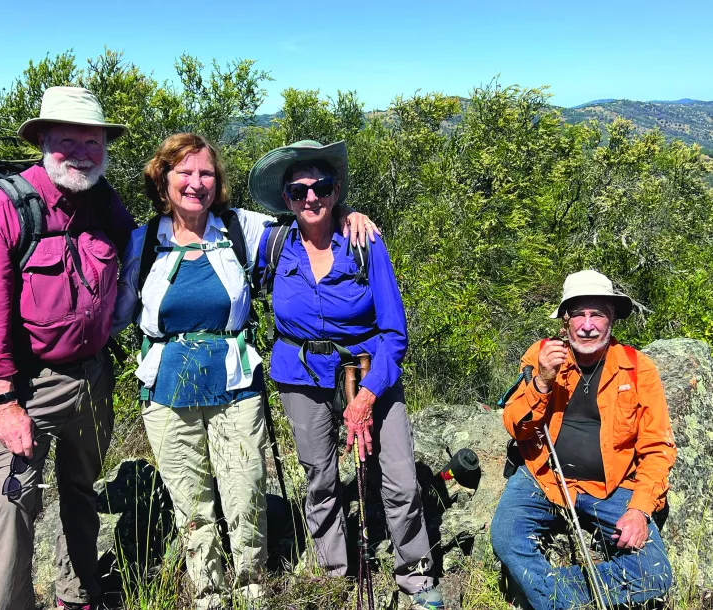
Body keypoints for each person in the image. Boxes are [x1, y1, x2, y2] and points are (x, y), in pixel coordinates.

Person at [111, 133, 376, 609]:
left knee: (245, 490)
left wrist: (346, 213)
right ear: (163, 179)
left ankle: (253, 585)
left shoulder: (239, 229)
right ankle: (208, 591)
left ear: (219, 182)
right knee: (191, 502)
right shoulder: (144, 241)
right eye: (184, 173)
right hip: (165, 389)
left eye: (206, 173)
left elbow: (305, 222)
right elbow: (118, 311)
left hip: (235, 385)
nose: (196, 183)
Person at [248, 139, 444, 610]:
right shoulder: (274, 246)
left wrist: (369, 395)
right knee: (319, 477)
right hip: (300, 375)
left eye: (323, 187)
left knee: (399, 477)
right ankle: (336, 572)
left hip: (367, 370)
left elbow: (394, 332)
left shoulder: (363, 241)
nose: (311, 198)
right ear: (287, 198)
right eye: (299, 191)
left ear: (336, 192)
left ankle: (416, 576)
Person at [0, 87, 136, 610]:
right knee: (12, 505)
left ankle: (77, 594)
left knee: (81, 494)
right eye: (68, 140)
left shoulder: (104, 200)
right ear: (44, 140)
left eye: (93, 141)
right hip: (27, 385)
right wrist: (4, 401)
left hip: (92, 377)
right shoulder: (4, 205)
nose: (83, 152)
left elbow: (141, 251)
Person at [491, 270, 677, 610]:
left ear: (611, 321)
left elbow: (657, 447)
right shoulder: (542, 356)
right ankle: (563, 599)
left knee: (655, 574)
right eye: (579, 314)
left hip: (613, 487)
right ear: (566, 320)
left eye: (598, 315)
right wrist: (543, 383)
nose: (587, 325)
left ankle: (551, 593)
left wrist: (638, 509)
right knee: (506, 537)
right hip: (545, 476)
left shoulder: (638, 369)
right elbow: (516, 426)